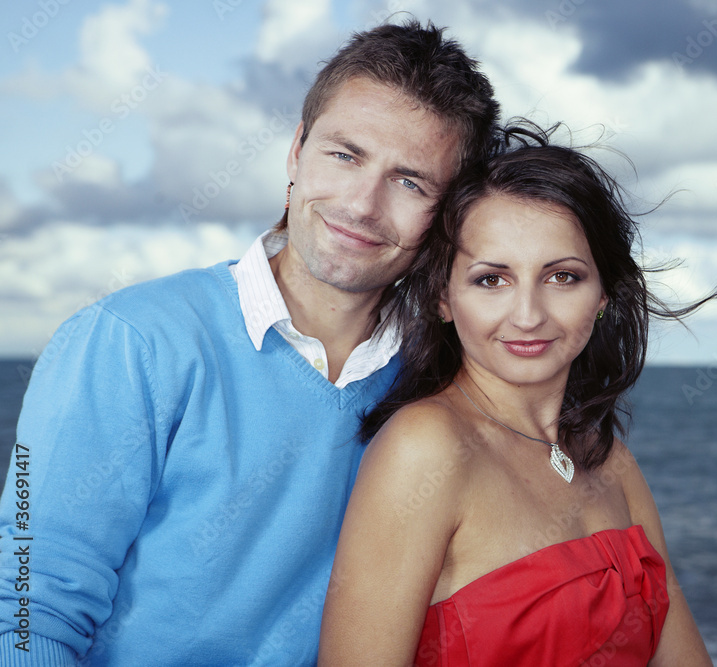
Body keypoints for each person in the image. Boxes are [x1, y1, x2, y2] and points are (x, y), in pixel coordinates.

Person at [0, 20, 499, 665]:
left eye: (410, 182)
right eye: (344, 155)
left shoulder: (438, 385)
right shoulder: (128, 342)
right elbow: (25, 607)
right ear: (296, 152)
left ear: (448, 212)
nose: (361, 204)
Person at [318, 125, 717, 666]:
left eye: (562, 277)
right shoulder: (426, 447)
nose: (528, 315)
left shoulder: (611, 461)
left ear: (602, 294)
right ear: (442, 297)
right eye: (491, 280)